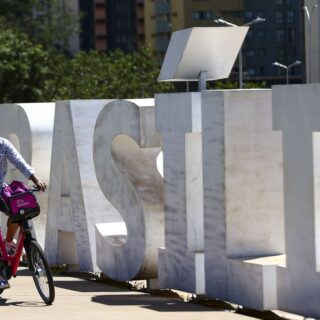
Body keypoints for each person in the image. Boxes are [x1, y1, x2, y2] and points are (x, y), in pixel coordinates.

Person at [0, 137, 46, 290]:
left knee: (18, 211)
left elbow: (19, 161)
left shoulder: (3, 143)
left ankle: (8, 243)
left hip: (1, 190)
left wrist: (35, 179)